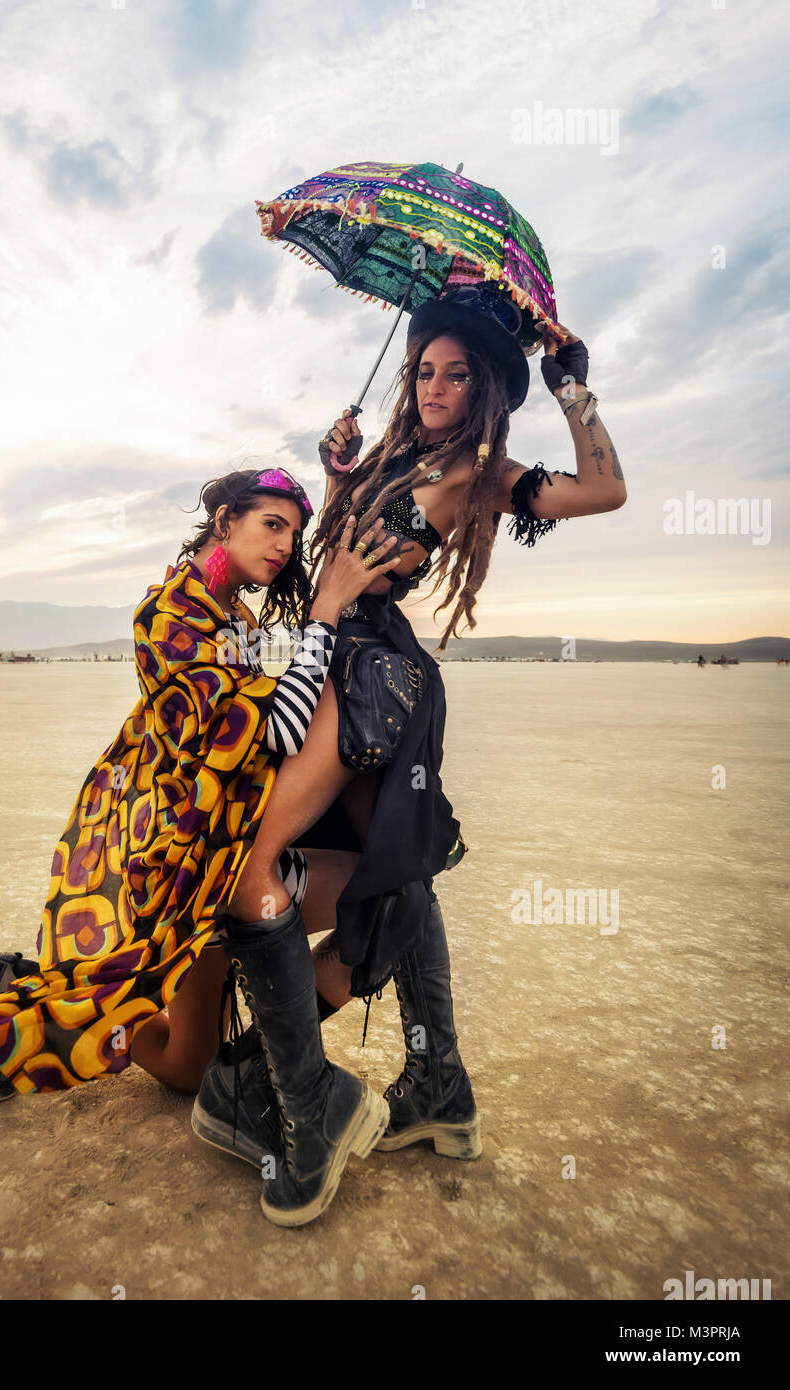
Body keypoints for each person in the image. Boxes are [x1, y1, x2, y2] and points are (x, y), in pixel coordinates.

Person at [190, 283, 627, 1219]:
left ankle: (298, 1102)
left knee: (254, 860)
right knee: (399, 877)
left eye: (455, 374)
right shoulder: (393, 454)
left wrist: (573, 387)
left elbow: (604, 490)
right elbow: (338, 562)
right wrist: (338, 471)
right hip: (342, 662)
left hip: (371, 682)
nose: (434, 386)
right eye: (423, 370)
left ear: (483, 388)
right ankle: (440, 1089)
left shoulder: (480, 468)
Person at [0, 470, 403, 1161]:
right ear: (224, 520)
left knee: (189, 1070)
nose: (285, 544)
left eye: (294, 531)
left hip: (229, 843)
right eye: (270, 524)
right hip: (181, 859)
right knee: (371, 900)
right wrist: (324, 616)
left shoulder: (237, 618)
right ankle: (4, 1025)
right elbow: (277, 730)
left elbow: (275, 729)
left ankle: (11, 988)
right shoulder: (168, 614)